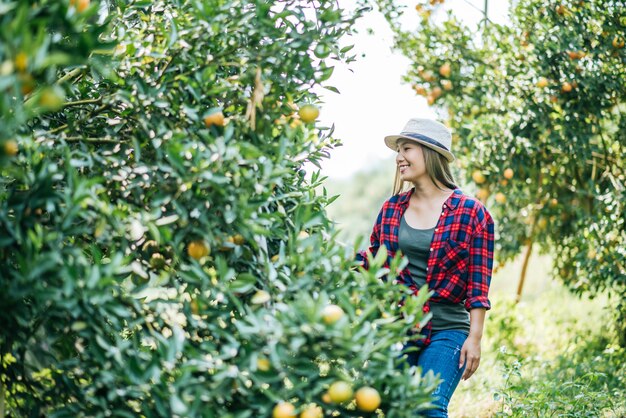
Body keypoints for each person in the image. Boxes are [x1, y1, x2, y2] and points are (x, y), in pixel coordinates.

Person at [355, 118, 495, 417]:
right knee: (379, 402)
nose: (398, 157)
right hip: (400, 327)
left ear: (430, 154)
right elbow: (375, 262)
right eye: (398, 150)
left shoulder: (472, 213)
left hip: (448, 328)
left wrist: (475, 337)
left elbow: (478, 284)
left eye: (407, 149)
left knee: (428, 406)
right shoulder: (392, 208)